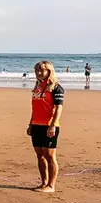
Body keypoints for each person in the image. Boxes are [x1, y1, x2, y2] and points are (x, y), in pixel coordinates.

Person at [29, 60, 64, 193]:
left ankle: (51, 185)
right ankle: (43, 182)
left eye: (41, 70)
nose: (38, 73)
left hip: (49, 125)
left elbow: (59, 108)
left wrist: (53, 125)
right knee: (40, 155)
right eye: (36, 70)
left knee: (49, 155)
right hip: (36, 124)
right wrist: (30, 123)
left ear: (49, 71)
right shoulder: (37, 87)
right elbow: (34, 108)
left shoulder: (56, 88)